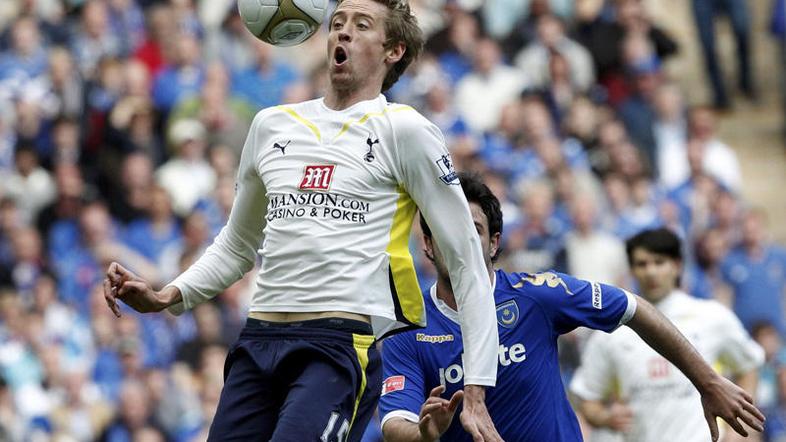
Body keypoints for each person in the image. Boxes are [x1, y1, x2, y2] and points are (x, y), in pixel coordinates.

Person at [102, 0, 502, 441]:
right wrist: (167, 296)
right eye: (337, 23)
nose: (343, 33)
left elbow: (467, 261)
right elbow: (237, 245)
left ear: (394, 51)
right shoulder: (272, 125)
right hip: (258, 338)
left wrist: (477, 388)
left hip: (339, 345)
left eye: (361, 25)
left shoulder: (405, 131)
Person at [379, 173, 764, 442]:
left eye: (473, 229)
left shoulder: (536, 295)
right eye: (446, 228)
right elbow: (395, 423)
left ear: (494, 243)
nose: (459, 240)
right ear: (427, 245)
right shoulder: (409, 327)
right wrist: (425, 433)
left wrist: (707, 382)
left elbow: (633, 308)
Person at [571, 228, 764, 442]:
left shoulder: (712, 316)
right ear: (632, 270)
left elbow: (749, 365)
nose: (651, 272)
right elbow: (587, 397)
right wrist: (604, 417)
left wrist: (738, 432)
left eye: (659, 262)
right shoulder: (612, 331)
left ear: (677, 265)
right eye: (642, 264)